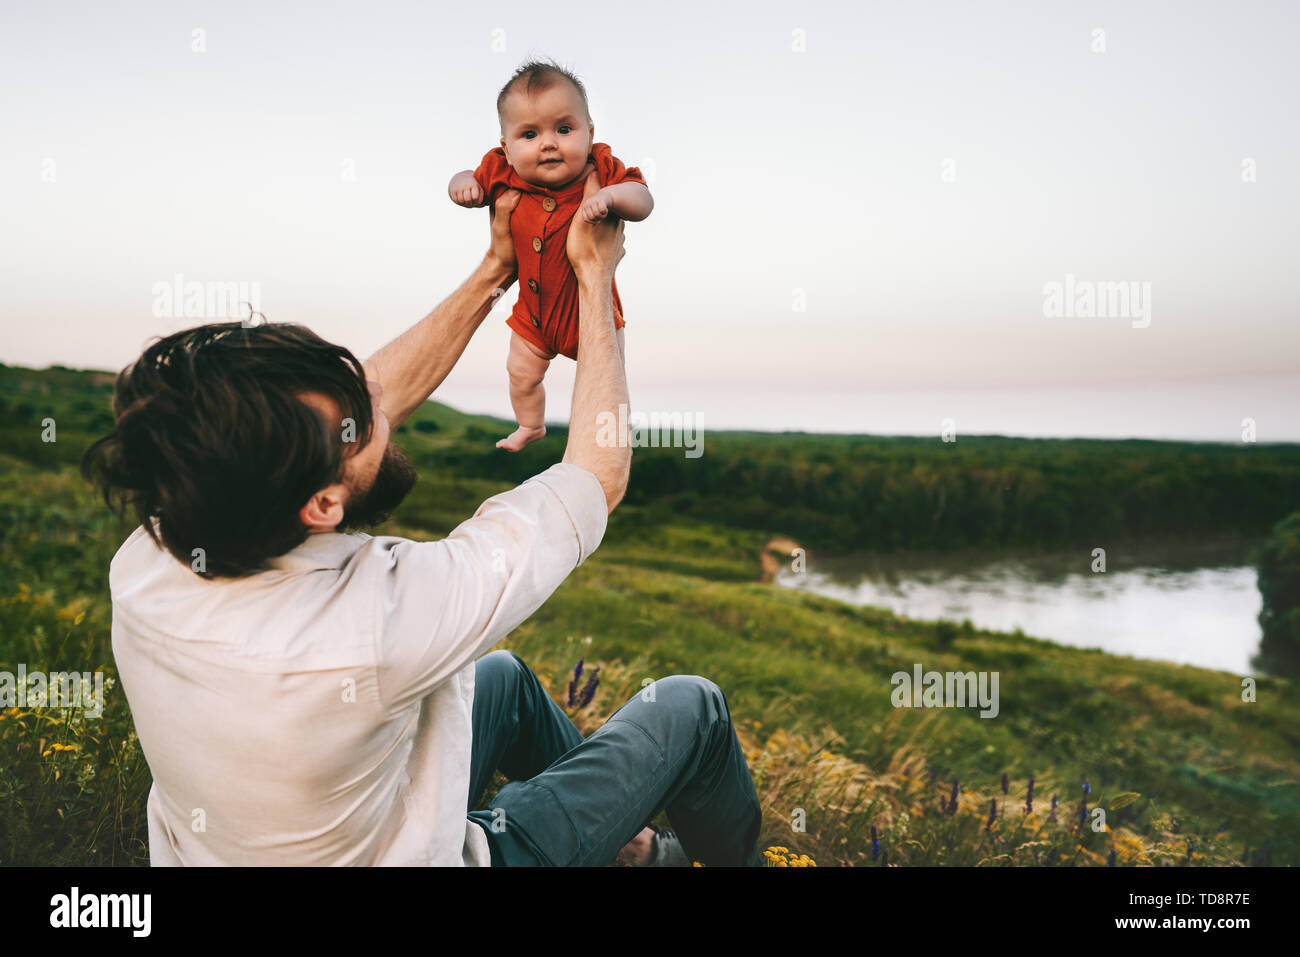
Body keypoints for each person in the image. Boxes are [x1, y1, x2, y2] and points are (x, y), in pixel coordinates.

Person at [83, 172, 761, 866]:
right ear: (321, 505)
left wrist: (499, 266)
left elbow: (347, 414)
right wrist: (595, 277)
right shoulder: (380, 618)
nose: (376, 389)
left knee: (507, 684)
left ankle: (631, 849)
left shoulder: (154, 553)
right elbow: (595, 476)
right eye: (356, 414)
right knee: (691, 705)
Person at [448, 57, 654, 452]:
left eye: (564, 128)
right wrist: (462, 186)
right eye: (529, 134)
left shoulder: (601, 168)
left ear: (589, 133)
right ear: (505, 148)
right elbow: (464, 178)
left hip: (591, 315)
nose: (548, 142)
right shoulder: (499, 170)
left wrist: (612, 196)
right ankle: (530, 425)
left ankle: (606, 437)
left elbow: (643, 198)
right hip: (533, 316)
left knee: (606, 383)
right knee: (519, 373)